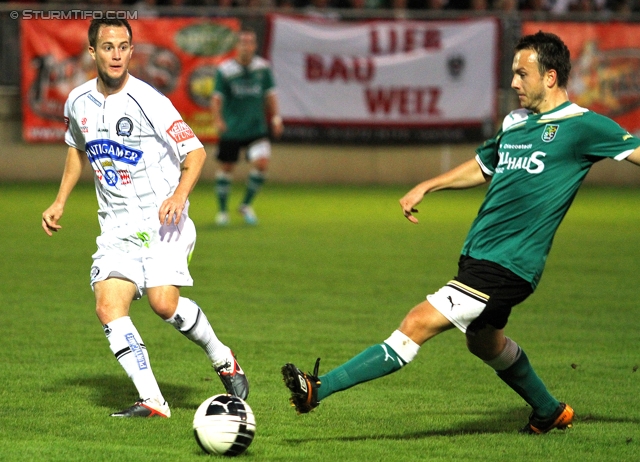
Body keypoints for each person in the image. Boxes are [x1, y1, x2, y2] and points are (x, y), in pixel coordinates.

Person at [282, 31, 640, 433]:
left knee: (416, 323)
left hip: (510, 264)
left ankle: (318, 388)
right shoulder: (516, 123)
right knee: (484, 343)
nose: (513, 83)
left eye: (523, 74)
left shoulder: (583, 126)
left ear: (551, 77)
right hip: (479, 255)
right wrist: (427, 185)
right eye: (512, 74)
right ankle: (548, 410)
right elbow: (482, 165)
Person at [42, 18, 249, 418]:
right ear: (93, 52)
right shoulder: (77, 101)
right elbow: (75, 149)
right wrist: (60, 201)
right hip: (116, 227)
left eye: (123, 46)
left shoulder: (149, 100)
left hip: (162, 223)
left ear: (132, 51)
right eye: (107, 47)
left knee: (163, 304)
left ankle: (222, 357)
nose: (116, 54)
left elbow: (196, 153)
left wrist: (178, 195)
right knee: (108, 306)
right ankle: (153, 400)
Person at [211, 27, 284, 226]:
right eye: (242, 42)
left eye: (250, 42)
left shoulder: (263, 68)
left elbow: (270, 94)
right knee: (226, 168)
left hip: (256, 128)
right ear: (236, 46)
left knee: (262, 164)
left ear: (255, 46)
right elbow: (217, 98)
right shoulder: (225, 70)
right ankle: (223, 211)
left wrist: (276, 118)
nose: (246, 46)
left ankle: (245, 205)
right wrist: (218, 119)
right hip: (232, 128)